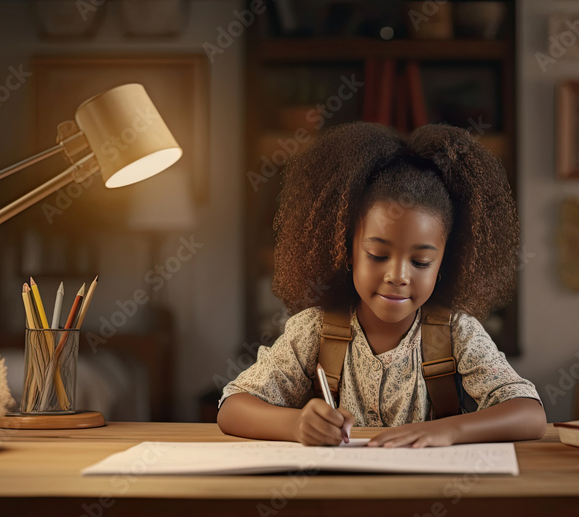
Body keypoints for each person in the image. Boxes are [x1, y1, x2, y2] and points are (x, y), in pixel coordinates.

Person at [217, 122, 546, 447]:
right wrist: (296, 424)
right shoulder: (313, 331)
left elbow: (529, 414)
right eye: (377, 255)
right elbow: (232, 408)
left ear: (445, 264)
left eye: (420, 262)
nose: (398, 275)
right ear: (347, 252)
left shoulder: (457, 333)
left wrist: (450, 430)